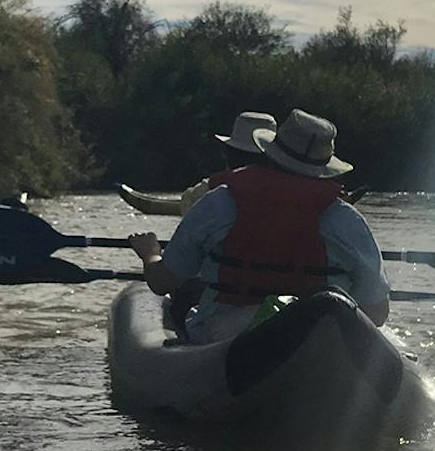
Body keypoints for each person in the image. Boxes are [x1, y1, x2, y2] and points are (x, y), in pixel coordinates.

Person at [129, 108, 388, 342]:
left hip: (226, 333)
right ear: (325, 169)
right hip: (318, 338)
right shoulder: (346, 219)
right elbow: (376, 312)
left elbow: (163, 282)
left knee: (187, 300)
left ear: (268, 153)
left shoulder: (219, 202)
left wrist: (150, 253)